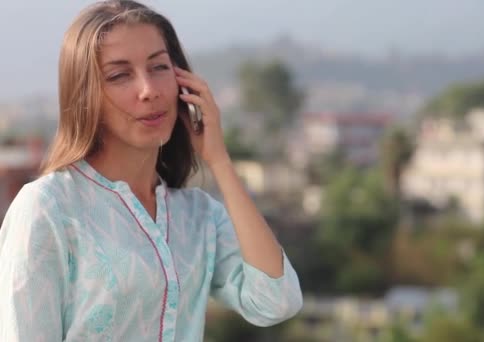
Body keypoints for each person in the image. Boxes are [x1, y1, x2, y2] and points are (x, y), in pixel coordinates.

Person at [0, 1, 303, 341]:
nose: (149, 90)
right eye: (119, 75)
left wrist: (219, 161)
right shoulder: (48, 208)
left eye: (159, 67)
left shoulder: (198, 216)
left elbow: (277, 302)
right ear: (87, 95)